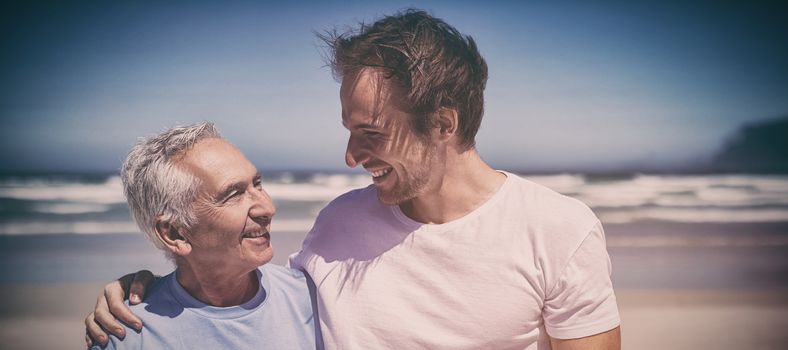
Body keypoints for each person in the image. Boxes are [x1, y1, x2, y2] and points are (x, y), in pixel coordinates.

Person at [86, 9, 620, 349]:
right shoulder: (338, 222)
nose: (350, 156)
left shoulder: (558, 228)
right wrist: (148, 290)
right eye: (348, 131)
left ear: (443, 123)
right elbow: (248, 295)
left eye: (370, 132)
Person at [89, 123, 319, 349]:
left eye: (257, 184)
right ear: (175, 233)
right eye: (234, 194)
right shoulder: (125, 335)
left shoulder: (316, 300)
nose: (268, 208)